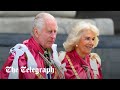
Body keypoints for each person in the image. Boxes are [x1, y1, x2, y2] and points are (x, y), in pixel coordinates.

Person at [0, 12, 64, 79]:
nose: (53, 36)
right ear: (36, 32)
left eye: (55, 31)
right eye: (49, 31)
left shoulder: (51, 53)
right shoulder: (20, 56)